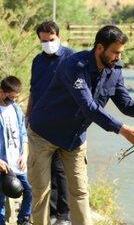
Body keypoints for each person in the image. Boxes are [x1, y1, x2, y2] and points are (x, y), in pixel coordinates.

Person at [28, 25, 134, 225]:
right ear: (100, 48)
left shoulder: (115, 70)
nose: (119, 57)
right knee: (41, 191)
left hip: (74, 137)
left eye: (121, 53)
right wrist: (124, 130)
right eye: (115, 52)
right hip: (44, 132)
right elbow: (89, 107)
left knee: (80, 192)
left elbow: (126, 104)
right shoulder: (73, 65)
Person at [27, 22, 74, 225]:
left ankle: (64, 214)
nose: (47, 44)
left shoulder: (71, 57)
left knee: (61, 169)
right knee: (44, 172)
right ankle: (52, 212)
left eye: (51, 39)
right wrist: (28, 116)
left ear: (59, 36)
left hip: (63, 123)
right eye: (43, 41)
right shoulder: (38, 60)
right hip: (40, 124)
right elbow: (33, 90)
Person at [0, 76, 32, 225]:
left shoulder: (16, 109)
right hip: (2, 166)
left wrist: (24, 155)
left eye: (15, 98)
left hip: (19, 164)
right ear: (1, 92)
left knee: (30, 191)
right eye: (10, 98)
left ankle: (23, 220)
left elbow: (24, 135)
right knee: (0, 200)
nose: (13, 101)